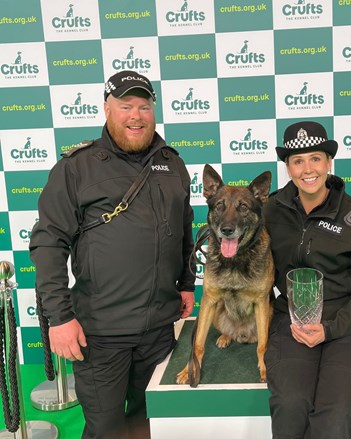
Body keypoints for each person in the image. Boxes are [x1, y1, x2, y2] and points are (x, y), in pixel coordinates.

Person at [29, 70, 196, 439]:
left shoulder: (173, 164)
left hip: (159, 329)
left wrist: (187, 284)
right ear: (107, 108)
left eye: (143, 106)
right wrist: (58, 318)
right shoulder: (77, 167)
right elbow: (48, 243)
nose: (135, 116)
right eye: (125, 106)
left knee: (148, 425)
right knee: (105, 429)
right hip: (102, 333)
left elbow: (184, 232)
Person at [263, 121, 351, 439]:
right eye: (298, 161)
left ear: (328, 162)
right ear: (287, 167)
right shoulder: (269, 211)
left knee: (334, 417)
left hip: (348, 325)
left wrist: (330, 329)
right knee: (291, 406)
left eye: (315, 158)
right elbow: (246, 262)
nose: (307, 169)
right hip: (292, 321)